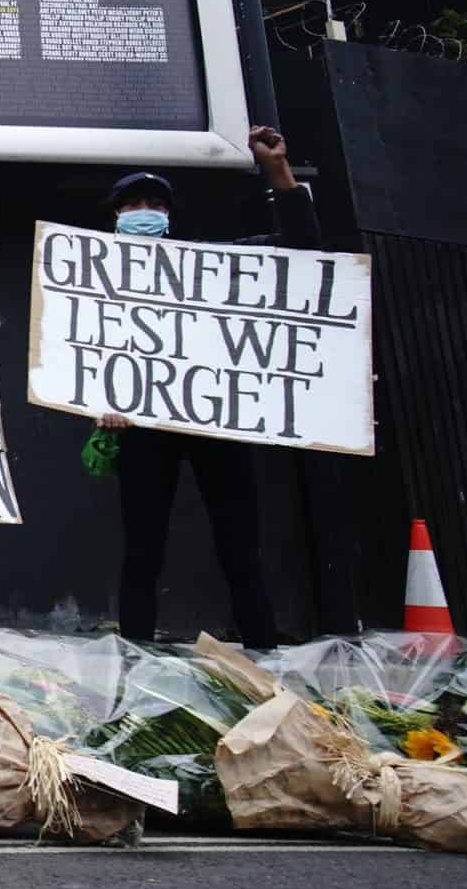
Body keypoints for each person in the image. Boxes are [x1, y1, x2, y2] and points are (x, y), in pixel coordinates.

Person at [97, 125, 319, 648]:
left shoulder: (208, 264)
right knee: (142, 549)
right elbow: (79, 352)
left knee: (240, 545)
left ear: (169, 217)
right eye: (134, 204)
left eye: (154, 203)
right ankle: (133, 657)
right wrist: (97, 405)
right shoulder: (92, 273)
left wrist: (278, 172)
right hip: (142, 425)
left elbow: (301, 249)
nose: (144, 212)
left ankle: (263, 656)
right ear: (116, 217)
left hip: (215, 419)